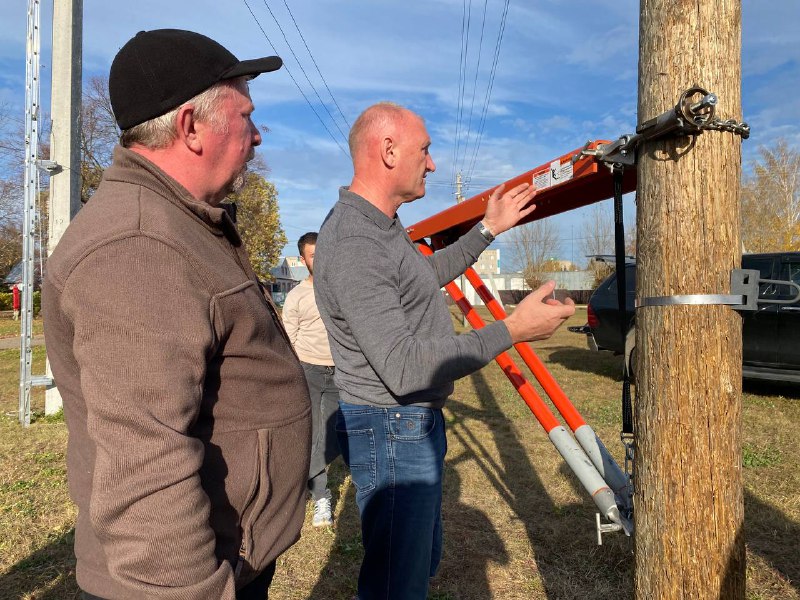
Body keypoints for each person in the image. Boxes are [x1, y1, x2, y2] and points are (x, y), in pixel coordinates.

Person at [41, 29, 311, 600]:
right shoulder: (139, 248)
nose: (258, 135)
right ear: (191, 127)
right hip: (188, 579)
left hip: (227, 550)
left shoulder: (178, 222)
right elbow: (148, 475)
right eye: (246, 116)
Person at [314, 102, 576, 600]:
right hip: (391, 427)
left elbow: (422, 277)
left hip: (410, 424)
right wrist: (513, 329)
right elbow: (406, 366)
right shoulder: (355, 240)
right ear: (388, 150)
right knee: (396, 586)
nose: (432, 164)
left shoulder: (383, 227)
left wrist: (487, 230)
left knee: (414, 567)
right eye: (426, 150)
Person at [281, 232, 342, 527]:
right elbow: (288, 338)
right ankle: (320, 497)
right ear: (304, 260)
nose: (320, 258)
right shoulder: (296, 296)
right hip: (310, 371)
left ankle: (297, 479)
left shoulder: (342, 288)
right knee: (315, 433)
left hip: (341, 372)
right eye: (314, 255)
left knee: (335, 438)